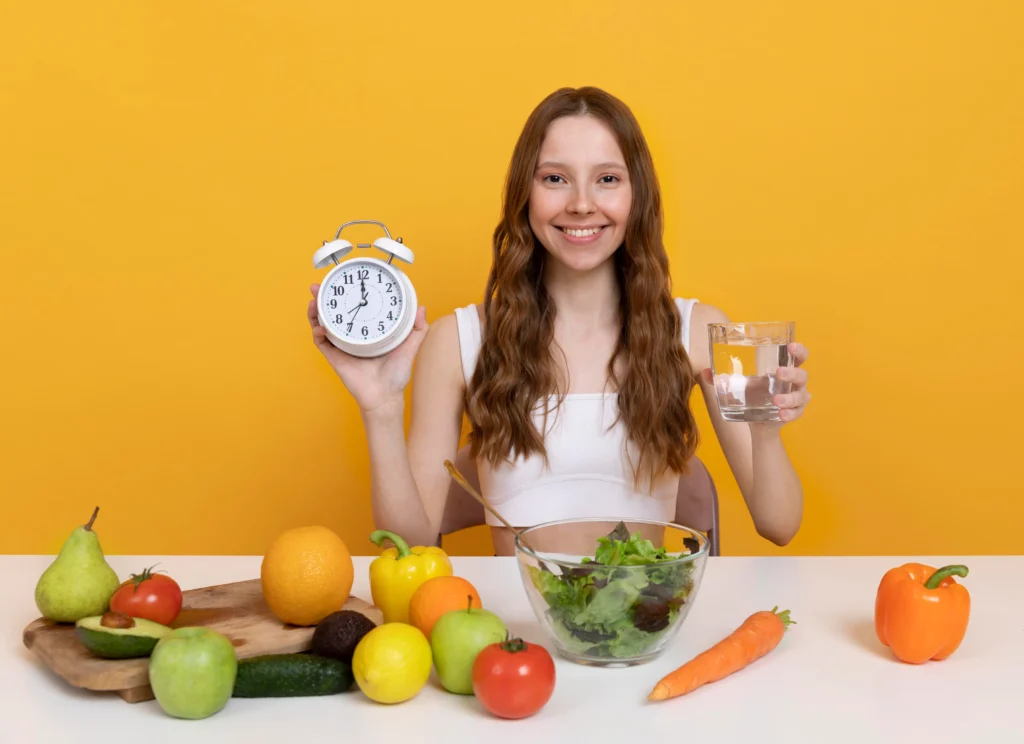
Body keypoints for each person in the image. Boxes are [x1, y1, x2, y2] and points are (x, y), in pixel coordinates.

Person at [307, 86, 811, 555]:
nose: (582, 203)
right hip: (514, 639)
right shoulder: (458, 340)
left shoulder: (697, 332)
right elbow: (407, 543)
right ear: (525, 195)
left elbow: (779, 523)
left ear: (638, 196)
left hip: (642, 631)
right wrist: (380, 407)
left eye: (607, 179)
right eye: (555, 178)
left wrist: (766, 430)